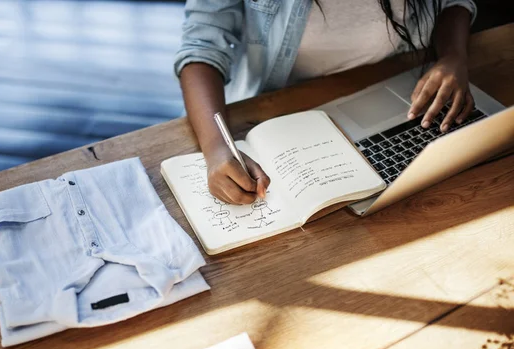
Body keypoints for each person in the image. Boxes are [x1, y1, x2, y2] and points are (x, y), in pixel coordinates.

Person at [174, 0, 477, 205]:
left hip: (398, 82)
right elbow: (202, 44)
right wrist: (216, 148)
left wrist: (453, 55)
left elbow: (452, 2)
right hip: (276, 107)